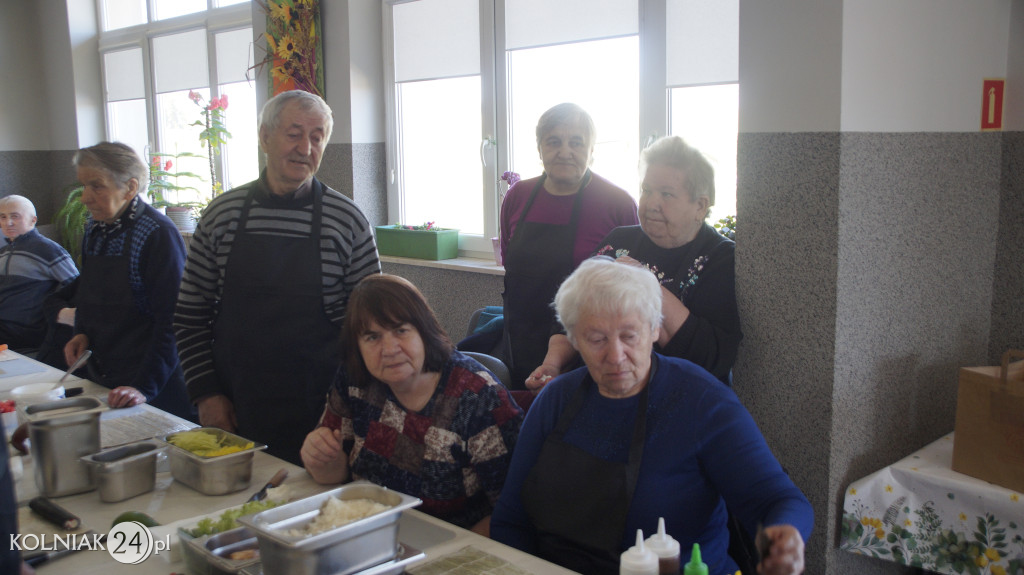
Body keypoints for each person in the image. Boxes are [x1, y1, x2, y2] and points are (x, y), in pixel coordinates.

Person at [491, 258, 812, 575]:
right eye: (597, 339)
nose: (616, 356)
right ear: (574, 339)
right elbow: (511, 518)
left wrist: (786, 537)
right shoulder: (556, 400)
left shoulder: (703, 402)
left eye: (629, 335)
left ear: (655, 328)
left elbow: (778, 499)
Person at [176, 90, 381, 464]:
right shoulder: (222, 215)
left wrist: (353, 407)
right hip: (236, 406)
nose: (305, 147)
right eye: (294, 133)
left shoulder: (347, 220)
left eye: (317, 137)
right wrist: (205, 394)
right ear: (264, 137)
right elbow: (190, 315)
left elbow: (371, 326)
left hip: (324, 411)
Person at [301, 274, 523, 535]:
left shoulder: (478, 398)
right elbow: (337, 476)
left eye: (400, 331)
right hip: (369, 534)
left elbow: (512, 513)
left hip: (455, 546)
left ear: (424, 332)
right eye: (372, 337)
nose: (389, 349)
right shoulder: (354, 379)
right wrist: (321, 460)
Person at [528, 135, 741, 388]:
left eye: (667, 194)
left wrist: (645, 282)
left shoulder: (721, 258)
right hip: (603, 388)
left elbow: (711, 357)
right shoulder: (619, 241)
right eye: (646, 190)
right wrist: (553, 365)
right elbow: (570, 312)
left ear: (700, 206)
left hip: (681, 398)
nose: (651, 204)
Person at [48, 142, 192, 419]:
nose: (85, 198)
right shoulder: (95, 228)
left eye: (97, 186)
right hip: (105, 375)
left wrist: (143, 386)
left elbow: (173, 319)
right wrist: (82, 332)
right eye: (83, 186)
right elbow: (90, 294)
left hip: (152, 384)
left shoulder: (157, 233)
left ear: (130, 188)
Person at [499, 103, 638, 389]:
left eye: (576, 142)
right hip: (519, 339)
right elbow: (507, 258)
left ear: (592, 150)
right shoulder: (518, 196)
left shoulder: (617, 204)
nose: (564, 152)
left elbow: (634, 284)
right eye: (553, 142)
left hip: (590, 352)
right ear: (539, 149)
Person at [0, 195, 78, 350]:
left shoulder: (49, 250)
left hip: (25, 330)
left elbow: (77, 286)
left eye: (15, 216)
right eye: (3, 217)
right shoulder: (3, 252)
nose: (8, 223)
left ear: (33, 220)